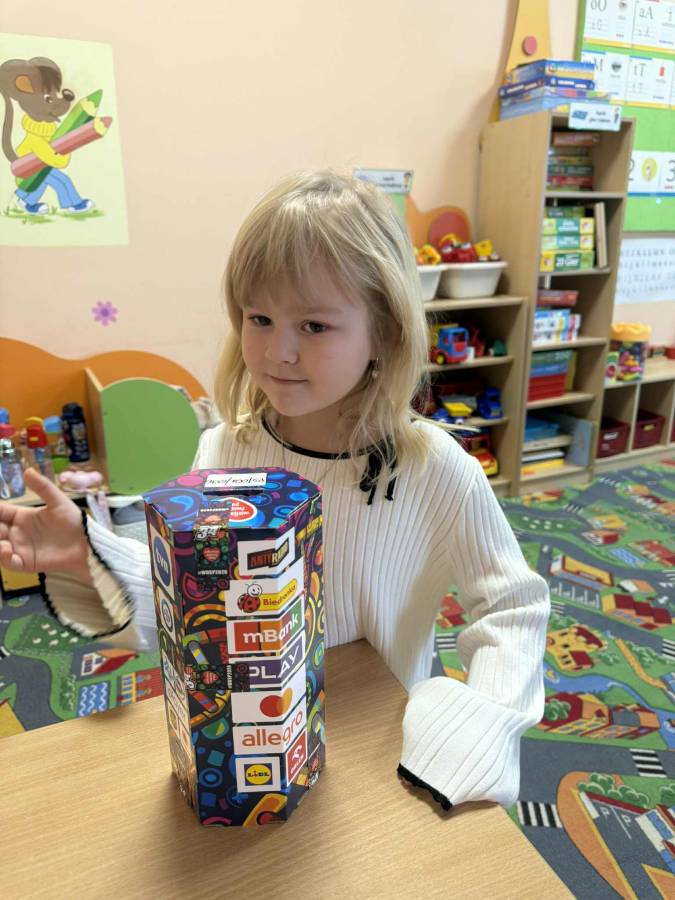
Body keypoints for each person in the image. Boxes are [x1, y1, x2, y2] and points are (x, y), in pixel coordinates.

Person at [0, 170, 550, 811]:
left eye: (314, 325)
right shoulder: (223, 452)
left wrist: (481, 723)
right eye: (259, 318)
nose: (277, 351)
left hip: (378, 748)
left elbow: (513, 607)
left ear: (384, 331)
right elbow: (191, 604)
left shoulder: (436, 469)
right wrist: (87, 557)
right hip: (251, 740)